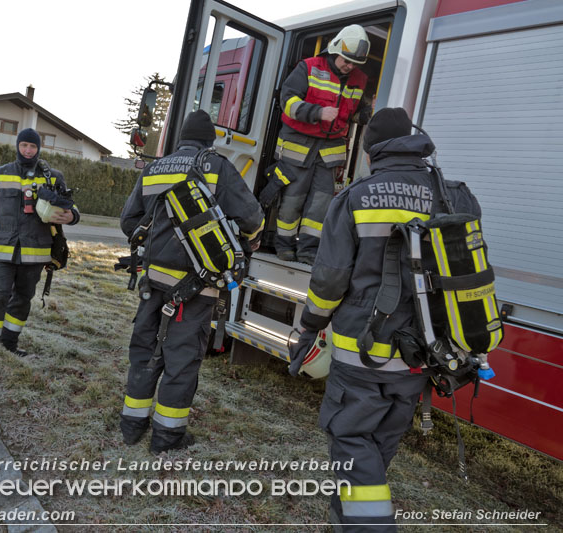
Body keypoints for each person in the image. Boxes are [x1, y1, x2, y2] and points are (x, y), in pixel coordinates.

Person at [289, 108, 481, 531]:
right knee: (380, 442)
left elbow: (329, 280)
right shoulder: (456, 194)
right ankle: (347, 517)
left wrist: (309, 326)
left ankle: (366, 524)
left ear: (372, 151)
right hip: (423, 353)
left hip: (362, 352)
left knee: (353, 441)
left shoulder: (356, 197)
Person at [119, 110, 265, 454]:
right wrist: (248, 239)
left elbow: (129, 223)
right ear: (209, 140)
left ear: (180, 137)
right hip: (196, 285)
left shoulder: (156, 167)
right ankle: (167, 437)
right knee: (182, 357)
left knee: (145, 350)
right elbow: (252, 218)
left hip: (151, 282)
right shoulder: (217, 167)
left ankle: (131, 425)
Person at [258, 24, 372, 264]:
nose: (349, 67)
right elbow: (287, 101)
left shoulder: (359, 80)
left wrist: (367, 115)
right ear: (334, 50)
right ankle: (284, 247)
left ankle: (309, 251)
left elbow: (355, 112)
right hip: (298, 149)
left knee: (320, 206)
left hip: (329, 153)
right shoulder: (308, 68)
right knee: (292, 202)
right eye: (346, 61)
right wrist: (317, 112)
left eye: (354, 64)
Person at [0, 128, 79, 376]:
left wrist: (71, 215)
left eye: (32, 147)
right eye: (24, 146)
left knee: (22, 299)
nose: (28, 151)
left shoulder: (53, 177)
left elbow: (72, 210)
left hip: (36, 253)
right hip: (1, 251)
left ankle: (9, 344)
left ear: (39, 148)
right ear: (17, 146)